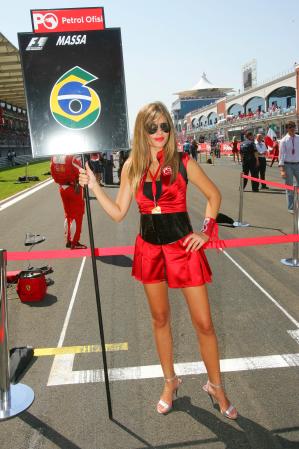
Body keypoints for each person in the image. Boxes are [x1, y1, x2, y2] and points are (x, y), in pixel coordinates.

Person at [79, 101, 238, 419]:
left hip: (183, 248)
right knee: (160, 320)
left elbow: (214, 195)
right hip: (150, 250)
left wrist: (206, 232)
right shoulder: (131, 166)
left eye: (165, 126)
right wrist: (95, 187)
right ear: (142, 130)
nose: (160, 132)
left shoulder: (182, 161)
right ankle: (170, 381)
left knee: (204, 324)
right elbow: (119, 212)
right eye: (152, 127)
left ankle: (216, 386)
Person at [51, 154, 87, 249]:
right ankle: (74, 242)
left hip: (62, 188)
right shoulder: (72, 157)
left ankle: (68, 239)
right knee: (78, 215)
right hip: (74, 188)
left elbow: (53, 174)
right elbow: (80, 172)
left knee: (68, 215)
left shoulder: (54, 157)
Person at [279, 121, 299, 213]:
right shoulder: (283, 140)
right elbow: (281, 155)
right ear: (287, 128)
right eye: (290, 127)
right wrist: (282, 170)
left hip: (298, 164)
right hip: (288, 165)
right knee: (289, 187)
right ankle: (291, 207)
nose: (293, 128)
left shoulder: (298, 138)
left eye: (294, 126)